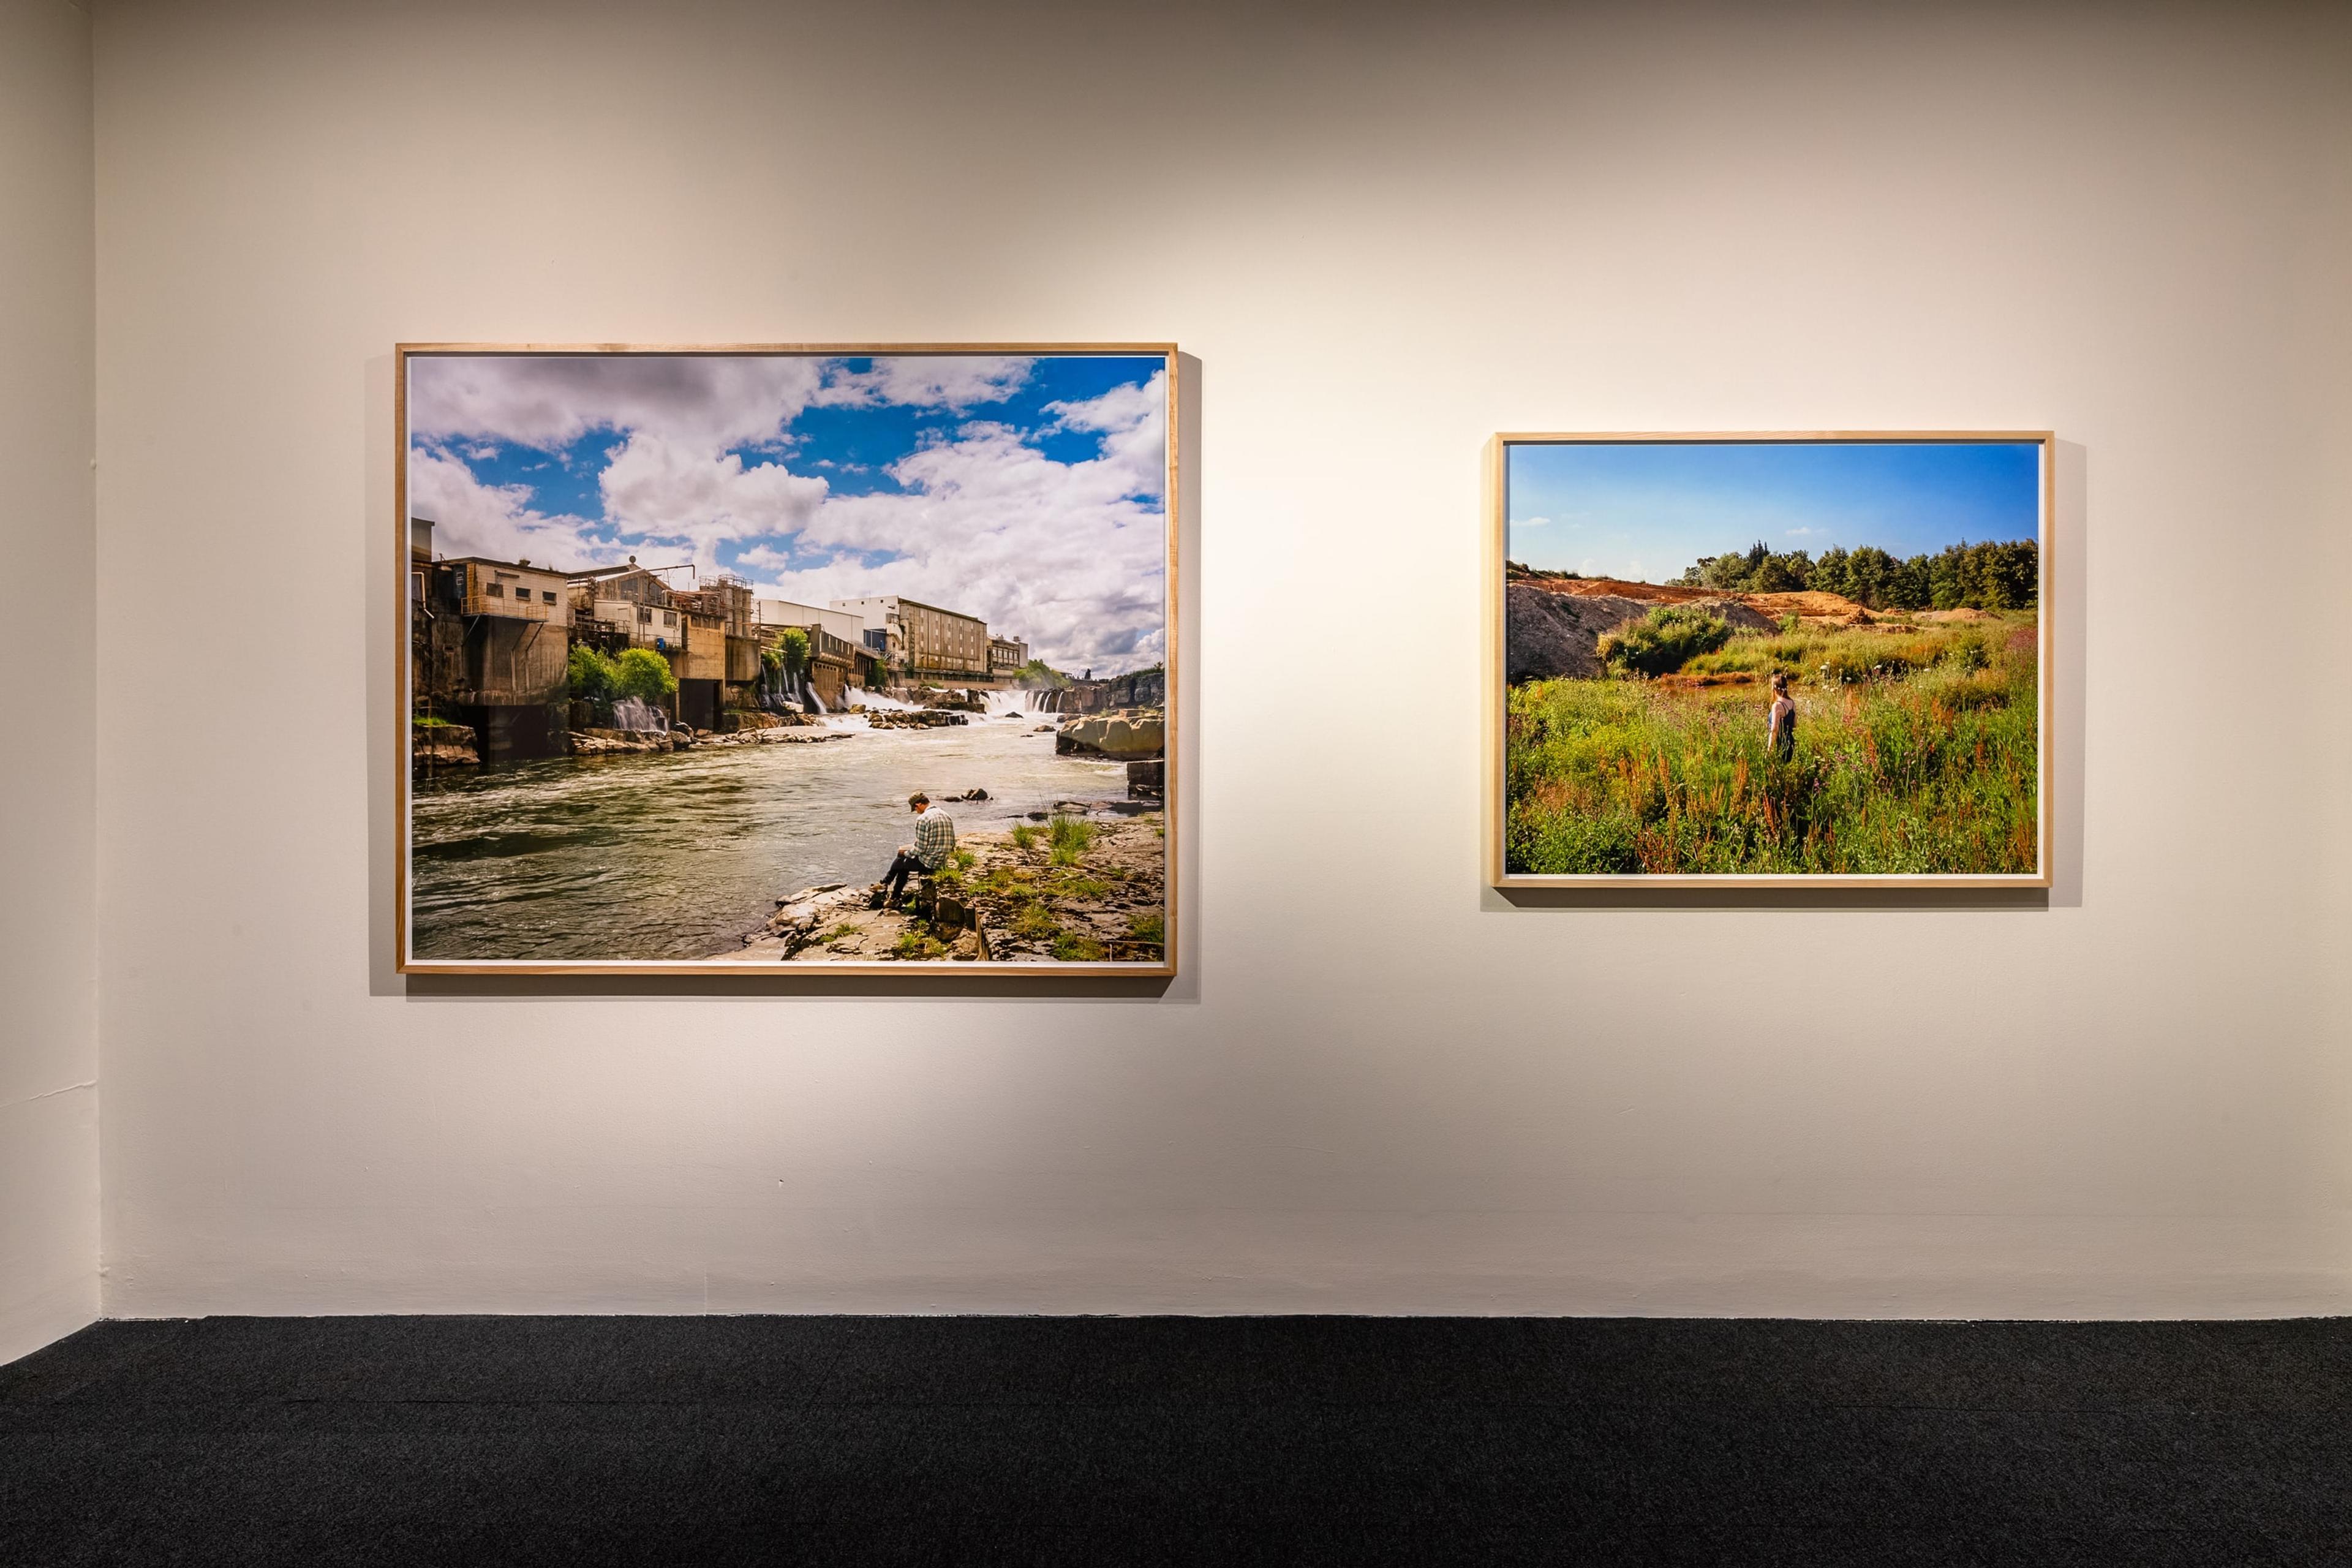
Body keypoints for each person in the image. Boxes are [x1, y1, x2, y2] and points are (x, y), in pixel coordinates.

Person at [872, 791, 956, 909]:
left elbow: (920, 848)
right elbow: (953, 841)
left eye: (915, 809)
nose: (916, 812)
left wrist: (906, 853)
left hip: (930, 862)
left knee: (901, 859)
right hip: (942, 859)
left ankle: (888, 889)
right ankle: (888, 889)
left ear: (919, 805)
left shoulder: (922, 819)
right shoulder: (945, 815)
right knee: (904, 860)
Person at [1766, 669, 1797, 762]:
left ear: (1774, 689)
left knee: (1777, 771)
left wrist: (1769, 750)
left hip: (1780, 744)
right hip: (1790, 742)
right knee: (1786, 768)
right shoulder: (1792, 703)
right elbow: (1795, 724)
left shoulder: (1777, 706)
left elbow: (1774, 730)